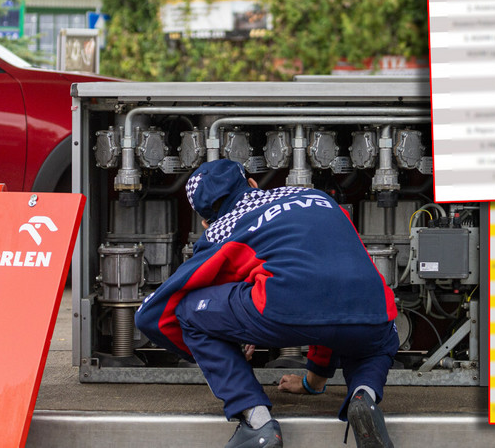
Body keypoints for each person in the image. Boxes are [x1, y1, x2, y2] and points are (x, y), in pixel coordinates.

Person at [135, 159, 399, 448]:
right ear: (252, 184)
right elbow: (328, 291)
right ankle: (365, 396)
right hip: (371, 309)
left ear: (204, 220)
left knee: (188, 310)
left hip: (284, 307)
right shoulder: (317, 197)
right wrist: (314, 382)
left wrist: (223, 352)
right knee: (375, 331)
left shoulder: (222, 229)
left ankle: (256, 422)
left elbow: (154, 314)